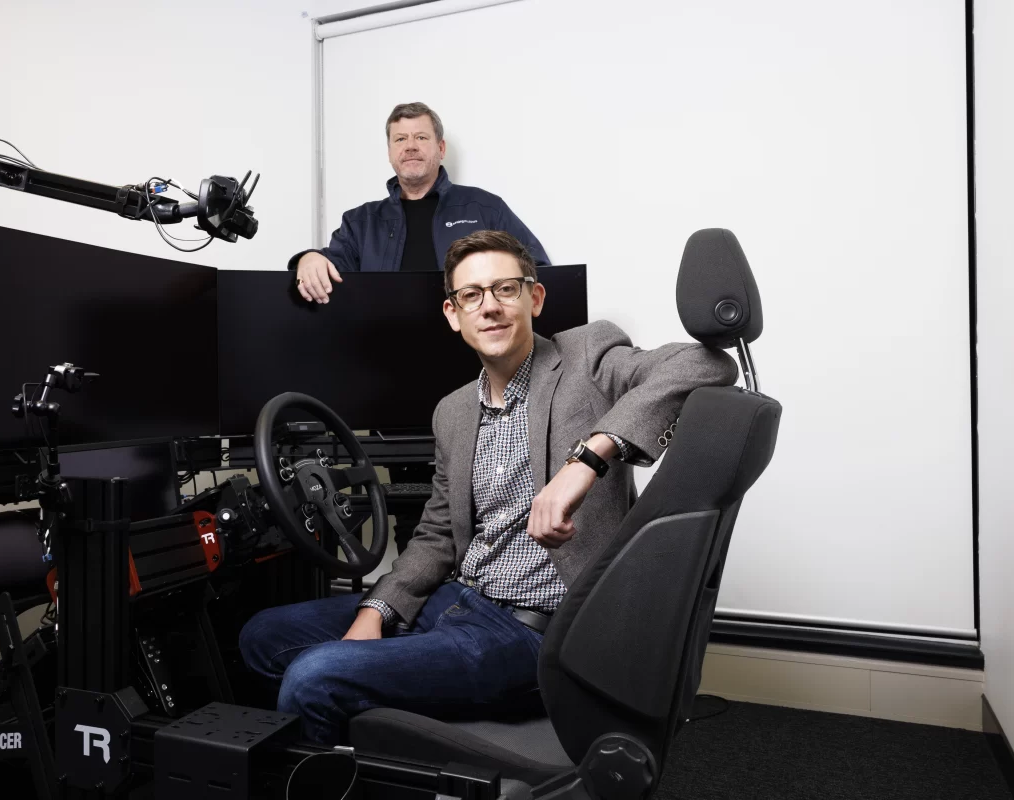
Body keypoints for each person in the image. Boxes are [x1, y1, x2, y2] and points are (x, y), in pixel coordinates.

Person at [243, 230, 737, 745]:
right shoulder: (452, 411)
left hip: (530, 633)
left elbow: (707, 365)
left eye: (505, 289)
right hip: (455, 599)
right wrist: (376, 610)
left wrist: (587, 459)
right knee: (262, 637)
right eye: (472, 295)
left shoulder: (588, 356)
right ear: (454, 314)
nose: (491, 307)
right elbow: (436, 535)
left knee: (315, 675)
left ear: (535, 298)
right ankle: (382, 743)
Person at [289, 102, 549, 305]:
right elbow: (329, 271)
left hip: (472, 355)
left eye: (421, 138)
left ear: (441, 148)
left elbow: (538, 269)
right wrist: (308, 258)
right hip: (382, 353)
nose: (410, 146)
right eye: (400, 139)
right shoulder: (360, 222)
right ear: (390, 152)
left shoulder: (483, 207)